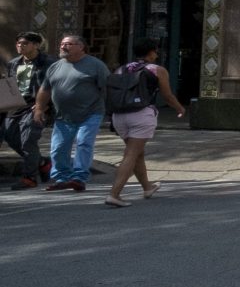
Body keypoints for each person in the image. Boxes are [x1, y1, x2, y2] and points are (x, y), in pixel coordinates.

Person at [105, 38, 185, 208]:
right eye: (155, 51)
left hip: (119, 116)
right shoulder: (157, 70)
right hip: (141, 114)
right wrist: (180, 108)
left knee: (137, 153)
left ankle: (147, 187)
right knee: (131, 154)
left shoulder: (121, 69)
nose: (156, 54)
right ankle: (114, 194)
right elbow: (167, 96)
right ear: (151, 53)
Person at [34, 35, 110, 192]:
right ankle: (62, 178)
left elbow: (107, 88)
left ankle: (79, 178)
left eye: (68, 44)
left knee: (83, 143)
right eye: (62, 44)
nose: (63, 47)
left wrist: (112, 111)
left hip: (91, 113)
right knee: (58, 148)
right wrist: (39, 108)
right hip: (63, 116)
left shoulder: (96, 65)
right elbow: (45, 89)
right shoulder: (55, 66)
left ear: (81, 47)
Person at [5, 32, 51, 189]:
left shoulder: (47, 63)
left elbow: (53, 85)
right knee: (10, 136)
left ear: (36, 45)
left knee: (28, 140)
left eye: (25, 43)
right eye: (18, 43)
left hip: (36, 106)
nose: (20, 46)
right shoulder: (13, 63)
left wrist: (44, 105)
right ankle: (43, 162)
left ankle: (29, 177)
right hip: (16, 106)